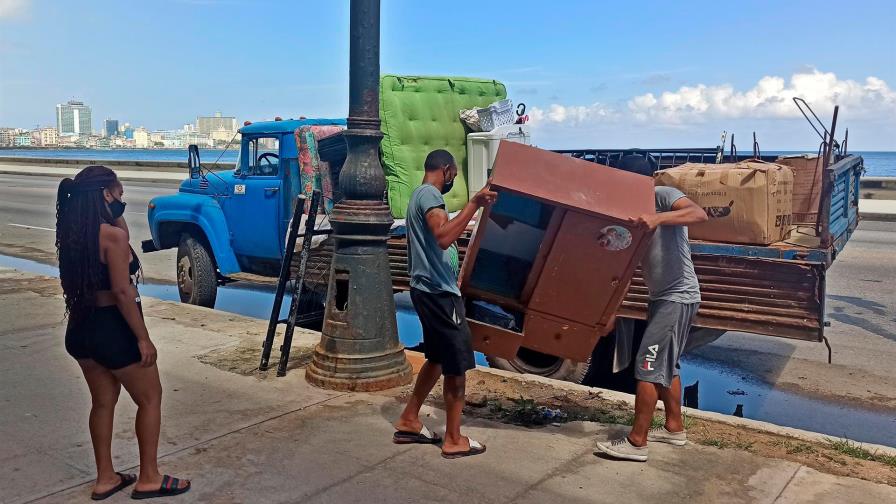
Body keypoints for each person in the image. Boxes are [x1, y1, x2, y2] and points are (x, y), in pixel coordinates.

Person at [56, 166, 190, 499]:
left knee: (102, 403)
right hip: (113, 328)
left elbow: (121, 238)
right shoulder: (111, 238)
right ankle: (149, 477)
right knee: (150, 398)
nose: (122, 200)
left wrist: (111, 212)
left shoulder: (74, 232)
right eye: (119, 193)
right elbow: (122, 292)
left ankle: (105, 479)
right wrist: (143, 338)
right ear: (105, 194)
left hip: (81, 328)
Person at [393, 149, 497, 459]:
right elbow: (442, 236)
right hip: (438, 296)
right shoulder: (430, 196)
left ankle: (409, 419)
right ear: (447, 169)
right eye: (454, 174)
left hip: (430, 291)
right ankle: (454, 439)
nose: (454, 179)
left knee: (437, 359)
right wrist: (475, 204)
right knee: (456, 367)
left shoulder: (420, 195)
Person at [595, 184, 708, 462]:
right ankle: (674, 428)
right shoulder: (626, 215)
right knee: (669, 365)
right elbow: (625, 268)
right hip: (661, 297)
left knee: (648, 365)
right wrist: (612, 311)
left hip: (678, 296)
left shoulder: (663, 195)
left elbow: (699, 214)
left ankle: (636, 443)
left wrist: (657, 218)